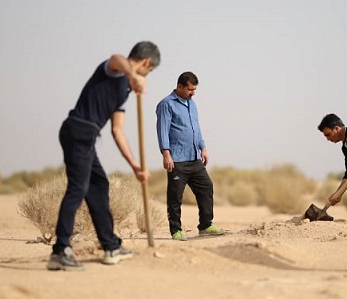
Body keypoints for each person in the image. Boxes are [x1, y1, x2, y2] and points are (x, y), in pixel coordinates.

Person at [47, 41, 160, 271]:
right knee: (78, 188)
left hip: (87, 137)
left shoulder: (124, 91)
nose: (147, 76)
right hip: (78, 129)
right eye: (149, 71)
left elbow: (117, 131)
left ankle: (111, 246)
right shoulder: (114, 70)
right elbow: (116, 57)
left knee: (98, 185)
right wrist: (133, 75)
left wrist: (135, 166)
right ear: (146, 63)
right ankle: (60, 250)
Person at [156, 71, 224, 241]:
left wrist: (203, 147)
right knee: (175, 197)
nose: (193, 93)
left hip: (194, 157)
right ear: (179, 86)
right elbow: (162, 130)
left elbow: (196, 127)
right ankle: (176, 231)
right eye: (189, 89)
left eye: (194, 89)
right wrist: (166, 153)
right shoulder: (166, 104)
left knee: (206, 187)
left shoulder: (192, 104)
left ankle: (206, 225)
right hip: (177, 159)